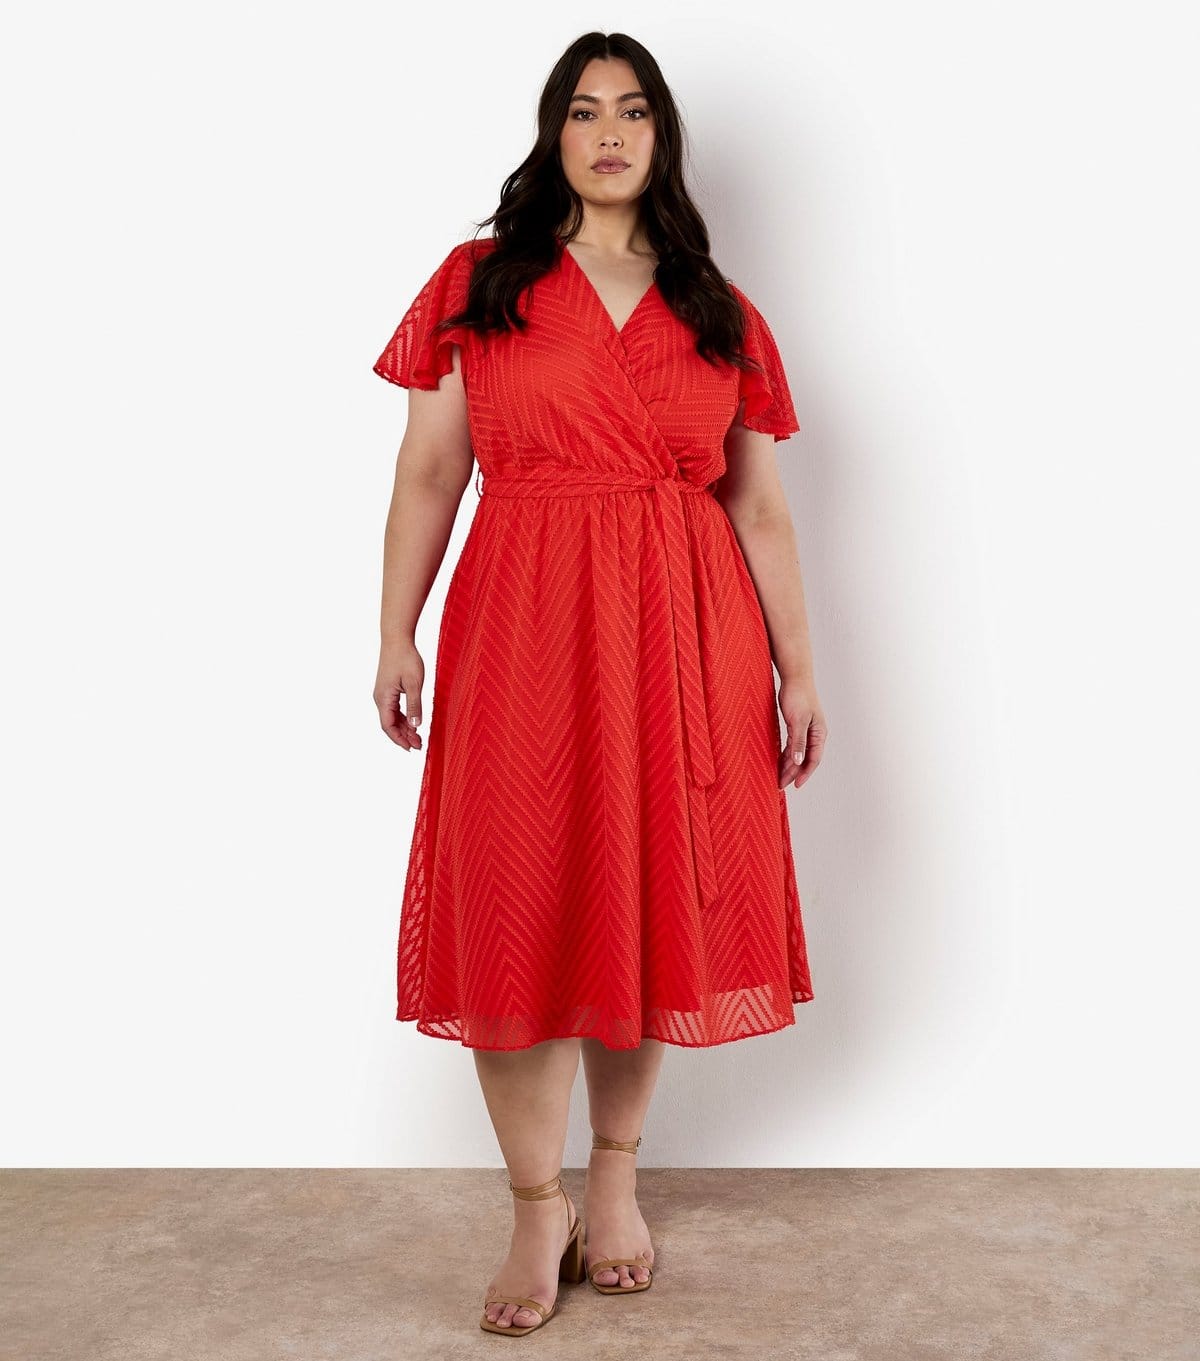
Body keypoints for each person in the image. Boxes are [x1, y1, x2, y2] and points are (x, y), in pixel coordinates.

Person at [371, 31, 828, 1338]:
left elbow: (758, 505)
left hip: (686, 632)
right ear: (553, 133)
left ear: (662, 137)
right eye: (584, 111)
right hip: (523, 619)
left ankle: (614, 1183)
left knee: (644, 901)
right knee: (515, 895)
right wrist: (396, 634)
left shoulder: (715, 306)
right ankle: (535, 1207)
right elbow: (430, 470)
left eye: (633, 111)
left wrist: (799, 671)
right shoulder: (481, 283)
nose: (610, 132)